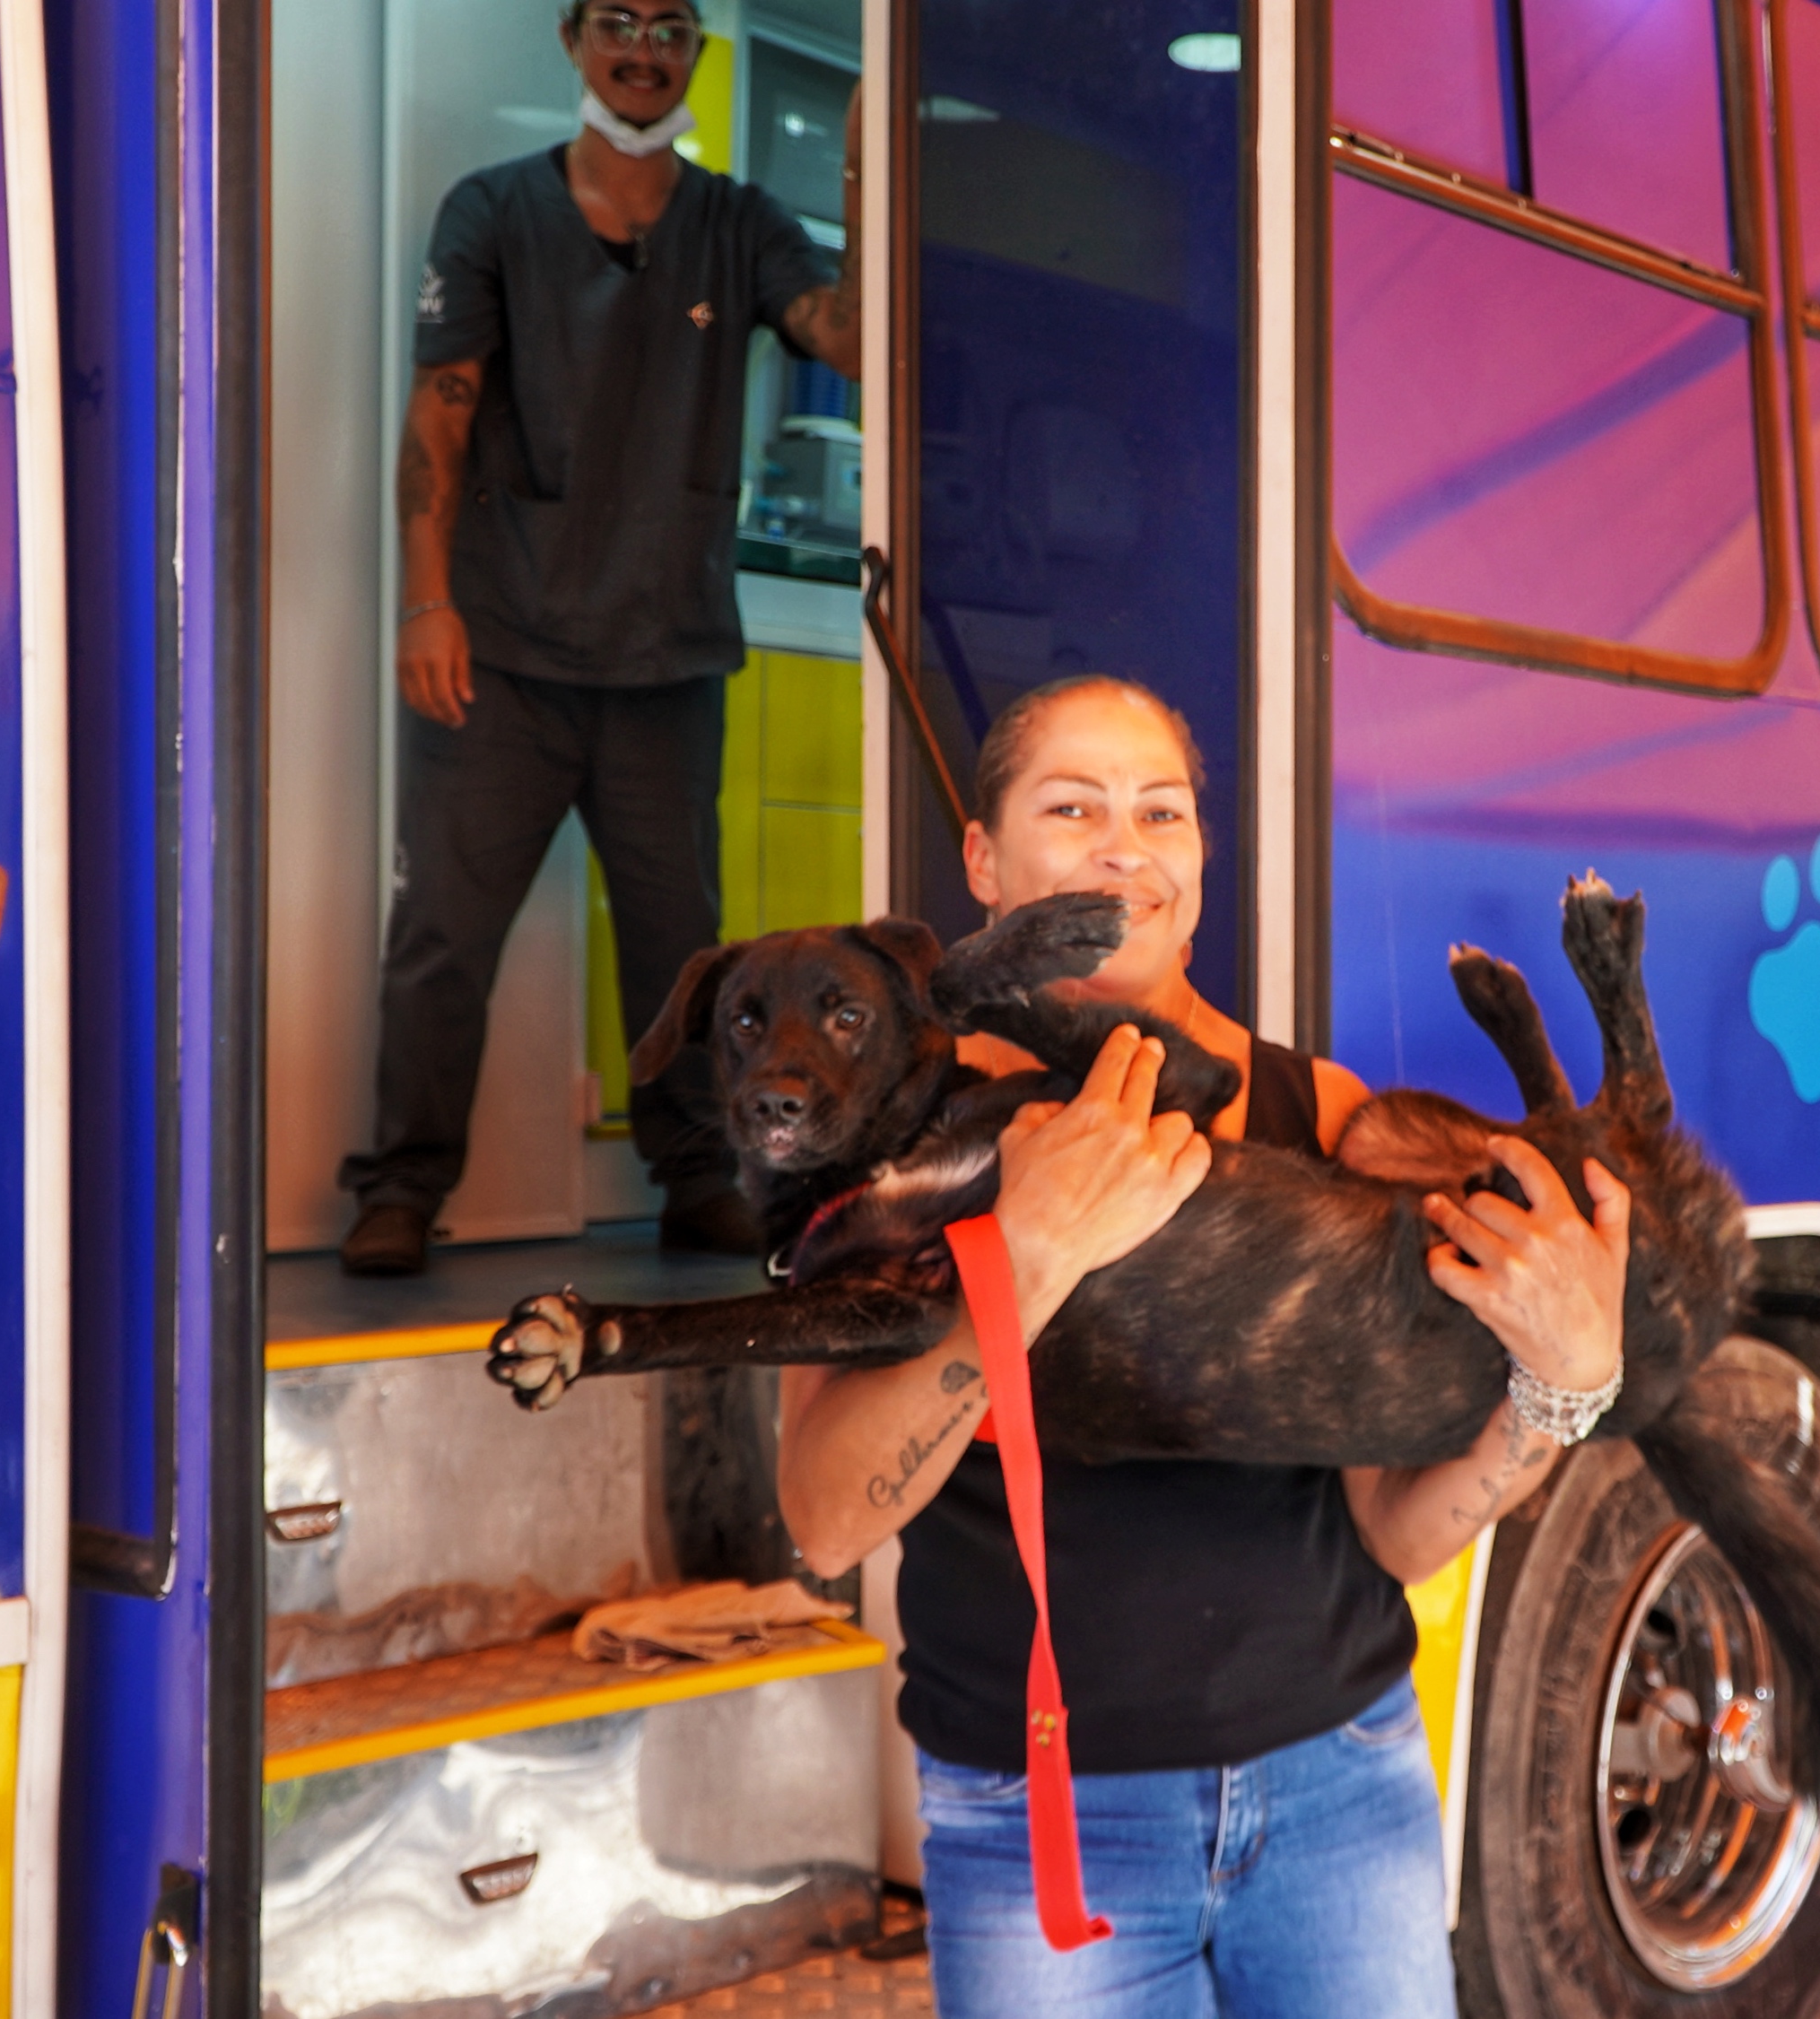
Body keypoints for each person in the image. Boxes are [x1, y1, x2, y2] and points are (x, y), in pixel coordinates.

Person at [777, 676, 1633, 2015]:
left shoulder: (1323, 1113)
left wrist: (1559, 1387)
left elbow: (1396, 1536)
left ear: (1198, 866)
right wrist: (1029, 1257)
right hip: (1048, 1821)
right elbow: (826, 1521)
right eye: (1073, 810)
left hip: (1343, 1789)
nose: (1125, 848)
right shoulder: (893, 1135)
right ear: (984, 863)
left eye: (1161, 813)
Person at [338, 0, 859, 1275]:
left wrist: (871, 172)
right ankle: (400, 1188)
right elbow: (439, 417)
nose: (644, 50)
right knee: (440, 938)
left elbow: (841, 337)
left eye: (671, 28)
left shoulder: (739, 226)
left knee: (684, 958)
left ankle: (697, 1181)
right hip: (500, 654)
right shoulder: (492, 212)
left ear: (696, 53)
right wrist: (426, 603)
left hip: (668, 658)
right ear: (573, 38)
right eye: (619, 22)